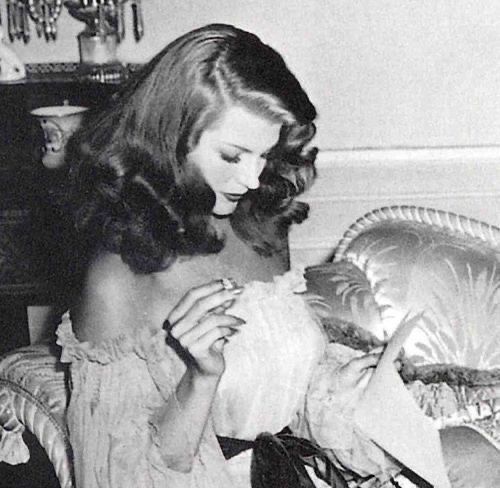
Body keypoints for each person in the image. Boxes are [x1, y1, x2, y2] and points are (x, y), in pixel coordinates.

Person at [57, 23, 496, 488]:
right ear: (169, 138)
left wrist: (335, 390)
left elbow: (280, 392)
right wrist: (200, 379)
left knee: (475, 458)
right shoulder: (116, 279)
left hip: (291, 472)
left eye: (264, 155)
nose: (251, 178)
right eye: (232, 156)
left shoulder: (254, 228)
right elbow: (118, 476)